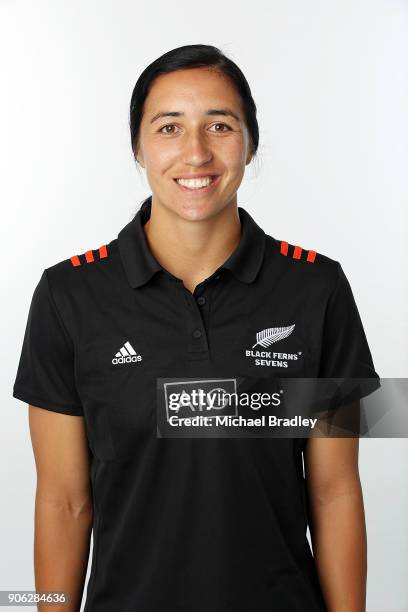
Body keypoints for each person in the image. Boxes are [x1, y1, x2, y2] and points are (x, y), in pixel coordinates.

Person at [13, 44, 379, 612]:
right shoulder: (69, 296)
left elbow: (333, 493)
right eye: (168, 128)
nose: (196, 152)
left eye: (220, 125)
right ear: (137, 146)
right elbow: (62, 502)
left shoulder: (317, 289)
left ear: (249, 141)